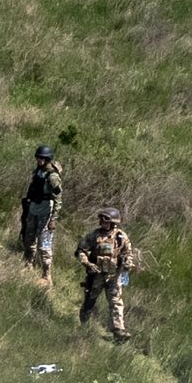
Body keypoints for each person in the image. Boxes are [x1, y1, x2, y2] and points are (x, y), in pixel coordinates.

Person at [75, 207, 133, 342]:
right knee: (90, 300)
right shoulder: (94, 236)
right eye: (101, 220)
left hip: (114, 276)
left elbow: (128, 253)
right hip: (97, 276)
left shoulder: (121, 237)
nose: (102, 223)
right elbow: (80, 251)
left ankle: (119, 331)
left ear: (113, 223)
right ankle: (83, 325)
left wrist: (127, 263)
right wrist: (88, 264)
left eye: (105, 221)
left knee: (116, 302)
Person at [19, 144, 63, 285]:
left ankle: (46, 276)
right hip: (33, 209)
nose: (39, 160)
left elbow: (58, 199)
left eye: (42, 158)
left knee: (44, 245)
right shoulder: (38, 171)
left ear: (47, 158)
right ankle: (28, 264)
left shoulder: (53, 176)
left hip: (46, 212)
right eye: (38, 157)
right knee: (29, 239)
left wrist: (53, 219)